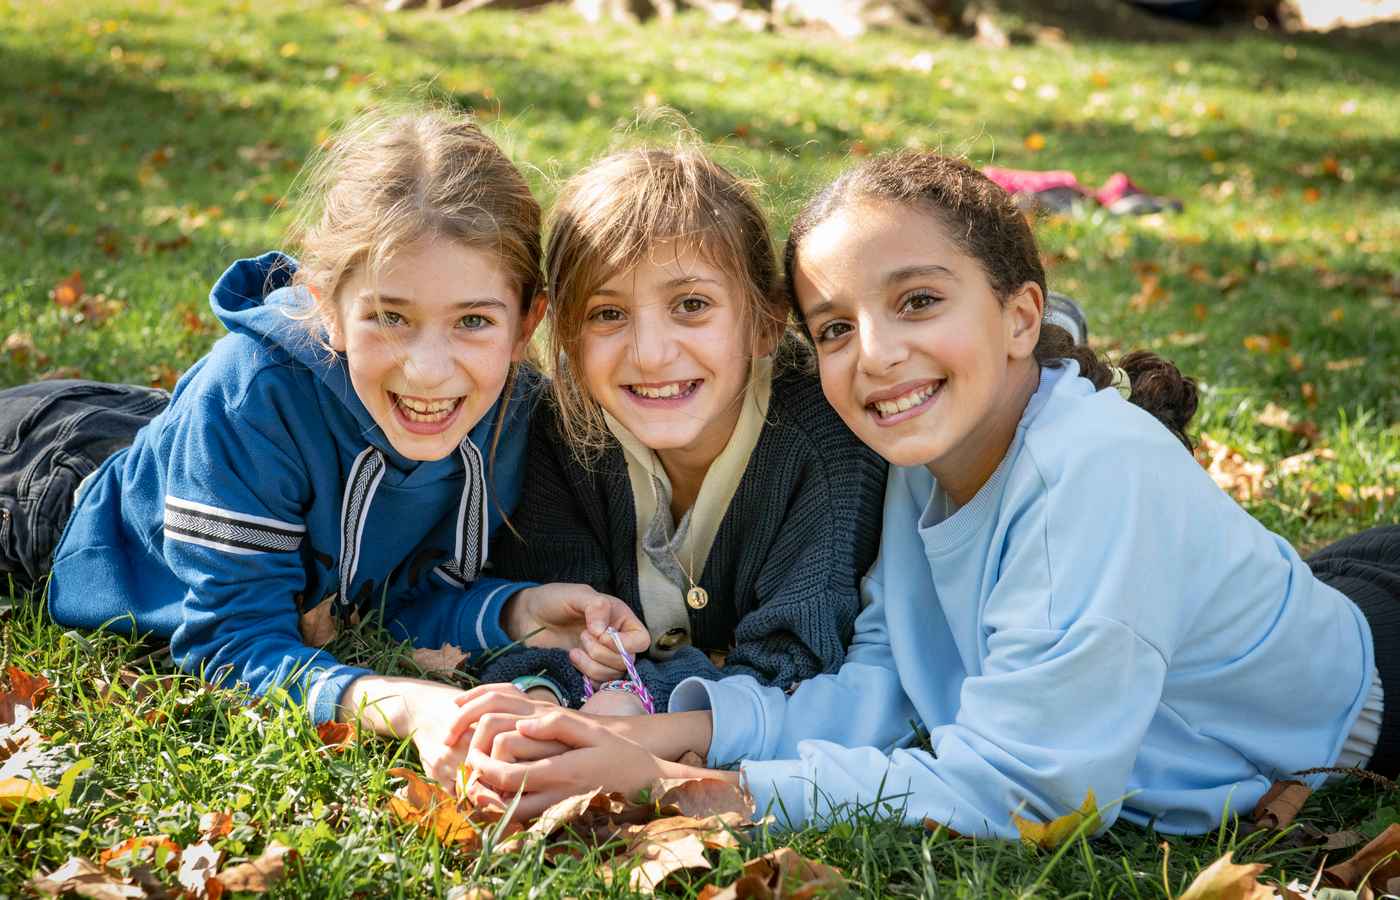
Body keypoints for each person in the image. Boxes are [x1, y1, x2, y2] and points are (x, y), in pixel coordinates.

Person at [448, 151, 1398, 838]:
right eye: (835, 328)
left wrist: (677, 785)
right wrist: (671, 730)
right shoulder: (912, 462)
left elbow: (1026, 794)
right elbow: (884, 688)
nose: (879, 354)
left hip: (1375, 672)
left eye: (918, 302)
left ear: (1021, 315)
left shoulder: (1096, 468)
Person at [0, 109, 646, 787]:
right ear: (326, 307)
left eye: (474, 321)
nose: (429, 369)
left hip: (178, 439)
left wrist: (520, 612)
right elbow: (231, 642)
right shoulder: (253, 393)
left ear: (526, 323)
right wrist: (405, 706)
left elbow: (396, 598)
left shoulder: (510, 411)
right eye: (389, 317)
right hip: (43, 485)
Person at [473, 146, 888, 714]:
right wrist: (544, 694)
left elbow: (795, 657)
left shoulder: (822, 437)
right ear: (567, 335)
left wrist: (639, 699)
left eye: (691, 305)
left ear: (765, 323)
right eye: (607, 313)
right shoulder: (565, 431)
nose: (649, 355)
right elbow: (555, 622)